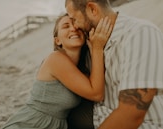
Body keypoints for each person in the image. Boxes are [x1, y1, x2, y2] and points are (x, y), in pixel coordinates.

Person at [1, 13, 112, 129]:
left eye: (76, 25)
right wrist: (97, 48)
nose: (73, 28)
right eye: (66, 26)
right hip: (31, 124)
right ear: (57, 40)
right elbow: (96, 94)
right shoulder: (55, 59)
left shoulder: (80, 70)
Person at [65, 0, 163, 129]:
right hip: (101, 114)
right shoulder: (92, 40)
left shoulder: (140, 33)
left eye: (75, 19)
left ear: (92, 9)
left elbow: (132, 115)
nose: (75, 26)